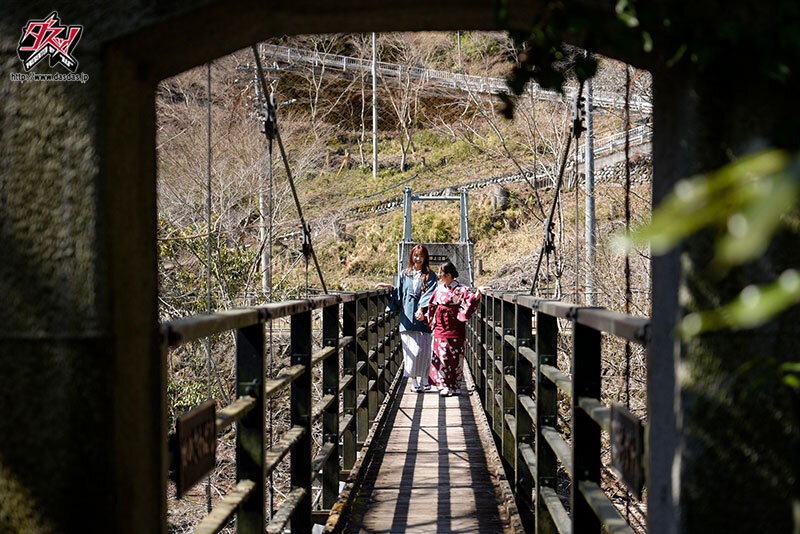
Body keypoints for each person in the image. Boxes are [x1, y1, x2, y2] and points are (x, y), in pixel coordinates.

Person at [377, 244, 438, 392]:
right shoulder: (405, 273)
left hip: (423, 319)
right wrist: (390, 288)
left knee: (424, 350)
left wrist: (422, 309)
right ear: (412, 256)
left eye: (421, 256)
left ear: (425, 258)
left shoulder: (431, 275)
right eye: (416, 255)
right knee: (411, 350)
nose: (418, 259)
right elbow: (399, 293)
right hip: (407, 317)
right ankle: (413, 380)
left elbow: (431, 294)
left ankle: (424, 378)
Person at [426, 261, 487, 397]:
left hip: (455, 326)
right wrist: (430, 319)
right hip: (441, 326)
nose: (439, 276)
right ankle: (444, 385)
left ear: (448, 275)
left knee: (456, 356)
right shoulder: (439, 289)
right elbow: (431, 305)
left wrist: (477, 293)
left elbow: (470, 300)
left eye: (441, 273)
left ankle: (455, 385)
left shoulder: (461, 289)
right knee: (442, 355)